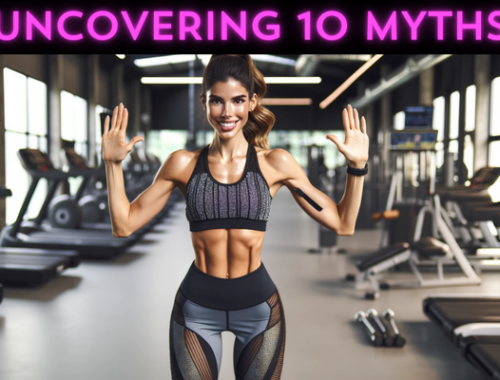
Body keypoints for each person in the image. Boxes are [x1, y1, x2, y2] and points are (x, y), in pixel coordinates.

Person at [102, 54, 369, 380]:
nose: (227, 113)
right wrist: (112, 164)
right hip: (195, 310)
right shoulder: (182, 164)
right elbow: (123, 224)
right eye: (217, 101)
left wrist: (357, 168)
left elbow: (343, 224)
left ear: (252, 101)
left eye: (238, 101)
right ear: (204, 102)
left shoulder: (276, 164)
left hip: (259, 310)